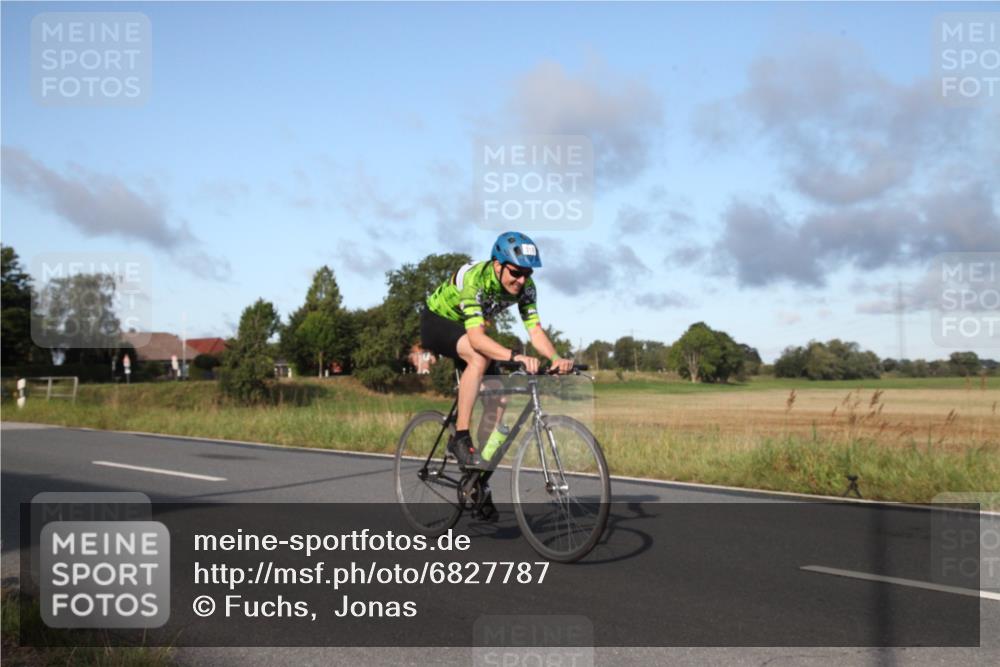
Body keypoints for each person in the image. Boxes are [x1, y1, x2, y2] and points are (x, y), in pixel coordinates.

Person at [421, 231, 574, 471]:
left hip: (469, 328)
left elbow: (534, 331)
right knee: (479, 356)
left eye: (527, 273)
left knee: (499, 397)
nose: (522, 280)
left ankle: (476, 475)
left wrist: (555, 358)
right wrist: (516, 356)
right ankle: (460, 438)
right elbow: (476, 339)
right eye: (516, 272)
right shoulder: (476, 280)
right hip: (438, 321)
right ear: (497, 265)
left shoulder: (527, 288)